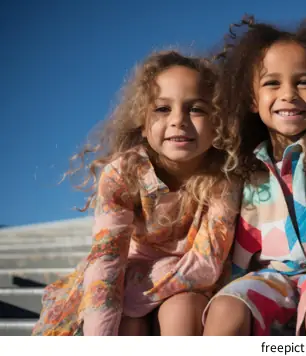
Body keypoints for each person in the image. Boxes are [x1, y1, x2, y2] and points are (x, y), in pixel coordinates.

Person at [31, 50, 240, 336]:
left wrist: (140, 297)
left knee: (182, 310)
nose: (179, 120)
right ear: (142, 122)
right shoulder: (123, 174)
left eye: (197, 109)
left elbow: (208, 262)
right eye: (163, 109)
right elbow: (107, 261)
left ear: (218, 122)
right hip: (129, 276)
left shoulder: (223, 177)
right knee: (123, 322)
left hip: (189, 282)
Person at [202, 16, 306, 336]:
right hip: (267, 277)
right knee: (226, 308)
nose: (288, 93)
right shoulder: (243, 165)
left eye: (303, 82)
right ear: (252, 99)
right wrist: (231, 285)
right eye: (272, 83)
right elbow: (239, 237)